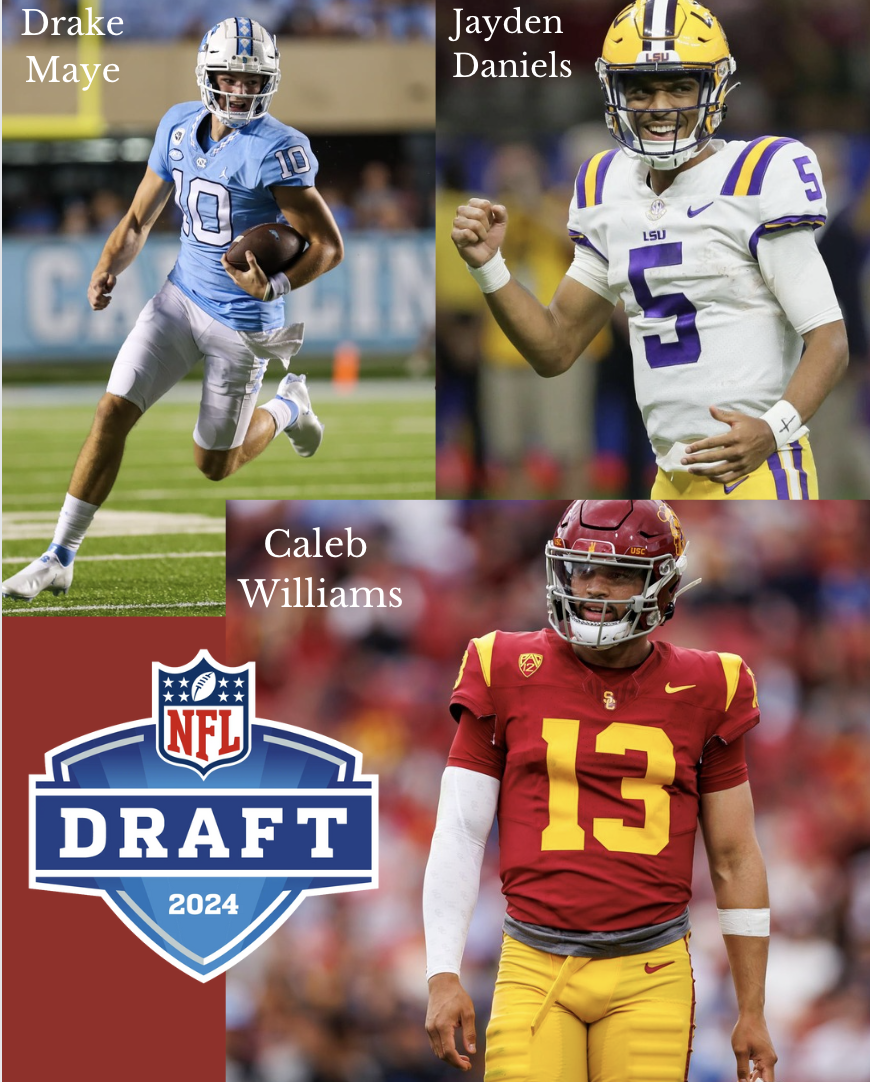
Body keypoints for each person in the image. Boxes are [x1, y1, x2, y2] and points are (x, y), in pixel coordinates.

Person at [423, 500, 777, 1082]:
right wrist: (442, 972)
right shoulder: (502, 664)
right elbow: (461, 828)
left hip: (651, 968)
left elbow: (736, 856)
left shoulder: (712, 684)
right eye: (582, 569)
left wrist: (752, 1010)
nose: (592, 586)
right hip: (534, 960)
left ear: (661, 585)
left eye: (616, 574)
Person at [451, 0, 849, 500]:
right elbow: (554, 348)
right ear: (615, 93)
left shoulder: (760, 175)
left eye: (680, 86)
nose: (660, 106)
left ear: (715, 88)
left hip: (758, 466)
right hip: (669, 473)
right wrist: (490, 267)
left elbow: (830, 340)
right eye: (641, 90)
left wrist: (772, 430)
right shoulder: (606, 185)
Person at [3, 16, 343, 601]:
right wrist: (109, 263)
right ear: (209, 76)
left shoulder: (279, 149)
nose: (239, 90)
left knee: (214, 465)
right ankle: (60, 554)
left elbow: (329, 246)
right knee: (112, 410)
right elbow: (139, 217)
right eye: (230, 77)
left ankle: (287, 407)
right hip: (180, 298)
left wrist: (278, 287)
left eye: (250, 79)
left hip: (243, 323)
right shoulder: (178, 126)